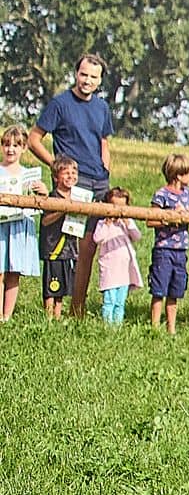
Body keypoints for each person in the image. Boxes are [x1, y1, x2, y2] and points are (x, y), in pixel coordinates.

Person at [30, 55, 112, 314]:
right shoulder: (60, 104)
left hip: (99, 181)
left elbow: (104, 142)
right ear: (76, 74)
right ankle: (57, 305)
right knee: (70, 246)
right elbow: (34, 139)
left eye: (93, 77)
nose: (87, 81)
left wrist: (105, 168)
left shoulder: (102, 108)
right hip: (75, 182)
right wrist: (56, 165)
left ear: (99, 81)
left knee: (90, 246)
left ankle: (79, 308)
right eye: (84, 74)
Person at [147, 155, 189, 332]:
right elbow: (150, 221)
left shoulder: (188, 195)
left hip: (181, 250)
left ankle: (171, 327)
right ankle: (154, 326)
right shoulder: (162, 195)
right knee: (159, 288)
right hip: (164, 248)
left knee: (175, 290)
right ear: (178, 175)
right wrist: (169, 219)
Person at [0, 126, 41, 321]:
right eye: (7, 145)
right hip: (1, 225)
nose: (11, 149)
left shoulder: (29, 175)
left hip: (19, 227)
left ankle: (7, 315)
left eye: (16, 145)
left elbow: (39, 202)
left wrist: (42, 191)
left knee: (13, 271)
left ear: (23, 148)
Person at [38, 158, 83, 319]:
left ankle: (57, 316)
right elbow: (45, 221)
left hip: (70, 248)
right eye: (66, 173)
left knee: (63, 286)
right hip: (53, 248)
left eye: (74, 172)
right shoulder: (52, 196)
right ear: (56, 177)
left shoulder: (79, 197)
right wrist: (63, 209)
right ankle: (48, 317)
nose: (71, 176)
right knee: (52, 284)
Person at [90, 188, 139, 324]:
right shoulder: (102, 223)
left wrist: (128, 222)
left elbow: (137, 236)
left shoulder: (126, 223)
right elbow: (97, 238)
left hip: (124, 268)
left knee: (120, 301)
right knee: (109, 299)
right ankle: (107, 324)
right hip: (109, 267)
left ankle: (117, 325)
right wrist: (107, 223)